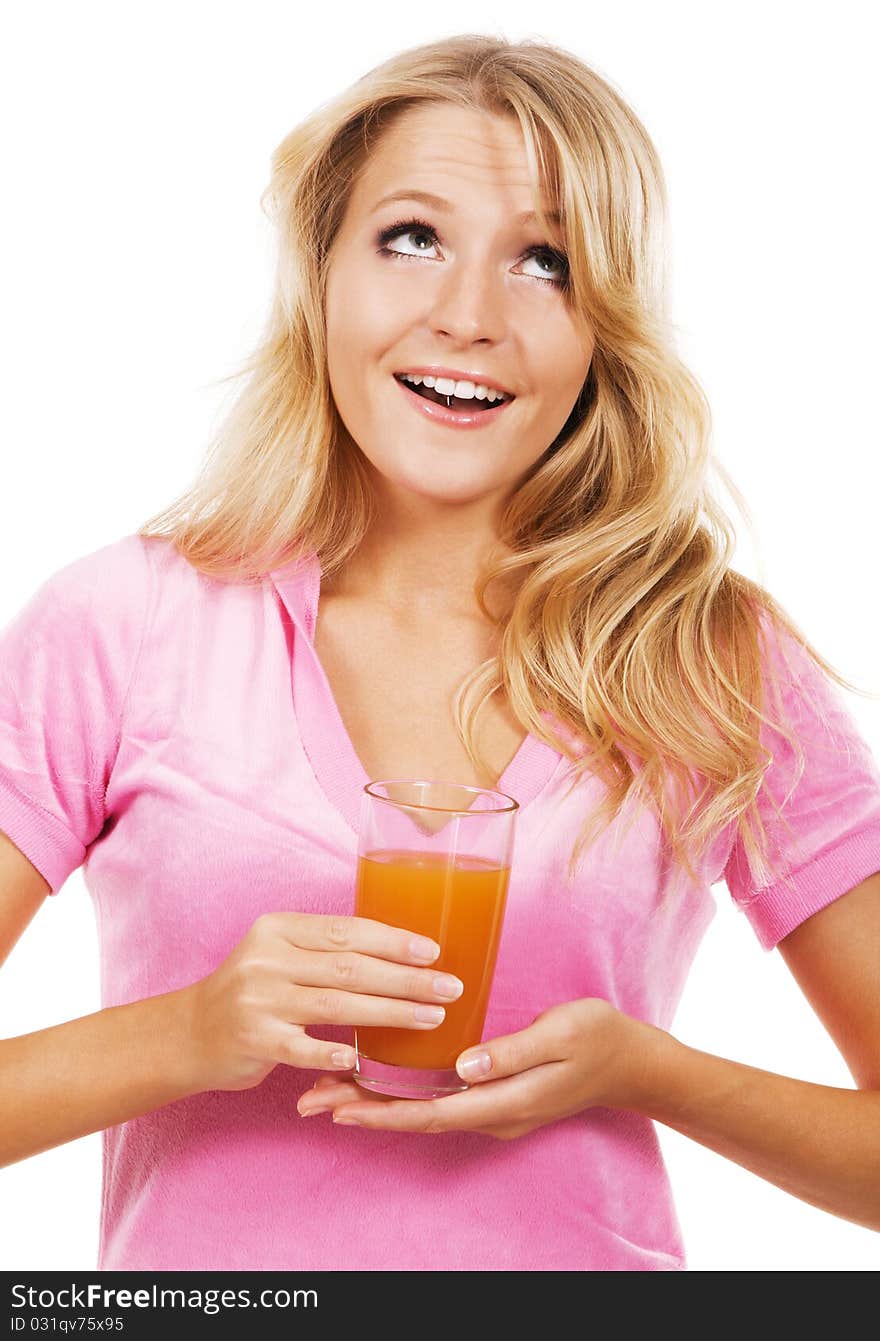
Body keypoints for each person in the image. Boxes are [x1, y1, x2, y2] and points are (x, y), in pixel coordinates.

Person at [1, 32, 879, 1273]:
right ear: (321, 272)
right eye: (410, 237)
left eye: (545, 262)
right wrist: (190, 1033)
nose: (468, 316)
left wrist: (649, 1074)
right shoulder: (125, 624)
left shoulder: (704, 651)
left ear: (602, 326)